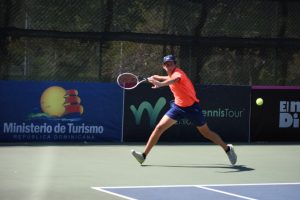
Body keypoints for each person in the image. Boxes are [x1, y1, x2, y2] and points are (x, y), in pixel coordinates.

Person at [131, 55, 237, 165]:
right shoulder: (170, 74)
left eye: (171, 63)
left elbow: (173, 80)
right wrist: (158, 77)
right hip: (177, 107)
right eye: (166, 64)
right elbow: (168, 78)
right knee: (159, 128)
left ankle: (227, 149)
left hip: (192, 108)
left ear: (175, 64)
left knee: (206, 133)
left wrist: (160, 83)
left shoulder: (178, 73)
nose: (169, 66)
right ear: (164, 66)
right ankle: (143, 156)